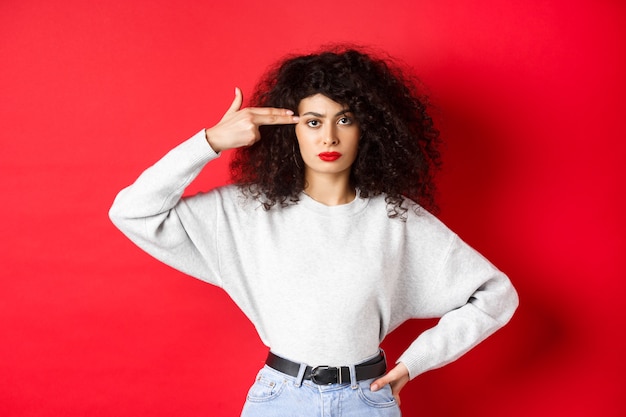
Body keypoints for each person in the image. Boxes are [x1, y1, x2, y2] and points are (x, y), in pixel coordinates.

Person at [109, 46, 519, 416]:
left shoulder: (396, 218)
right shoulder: (246, 211)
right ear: (291, 130)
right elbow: (132, 212)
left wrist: (415, 362)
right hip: (281, 399)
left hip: (367, 399)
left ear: (369, 129)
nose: (329, 136)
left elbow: (495, 295)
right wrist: (211, 141)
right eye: (312, 121)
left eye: (345, 119)